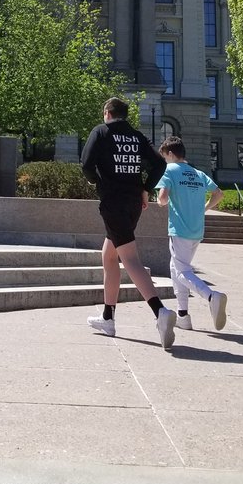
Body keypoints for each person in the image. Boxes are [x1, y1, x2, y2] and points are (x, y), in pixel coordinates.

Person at [80, 97, 174, 348]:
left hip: (113, 202)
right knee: (109, 256)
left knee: (129, 258)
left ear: (107, 113)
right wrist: (145, 188)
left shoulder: (101, 132)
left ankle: (160, 312)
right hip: (133, 204)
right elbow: (159, 164)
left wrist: (95, 181)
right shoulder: (137, 136)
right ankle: (108, 317)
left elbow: (87, 165)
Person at [156, 135, 228, 331]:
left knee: (182, 271)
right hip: (197, 229)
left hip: (179, 228)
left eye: (164, 157)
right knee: (176, 268)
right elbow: (219, 194)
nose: (164, 161)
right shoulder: (197, 173)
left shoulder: (169, 170)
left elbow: (162, 199)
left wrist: (160, 200)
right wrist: (204, 208)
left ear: (170, 154)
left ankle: (211, 296)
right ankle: (183, 315)